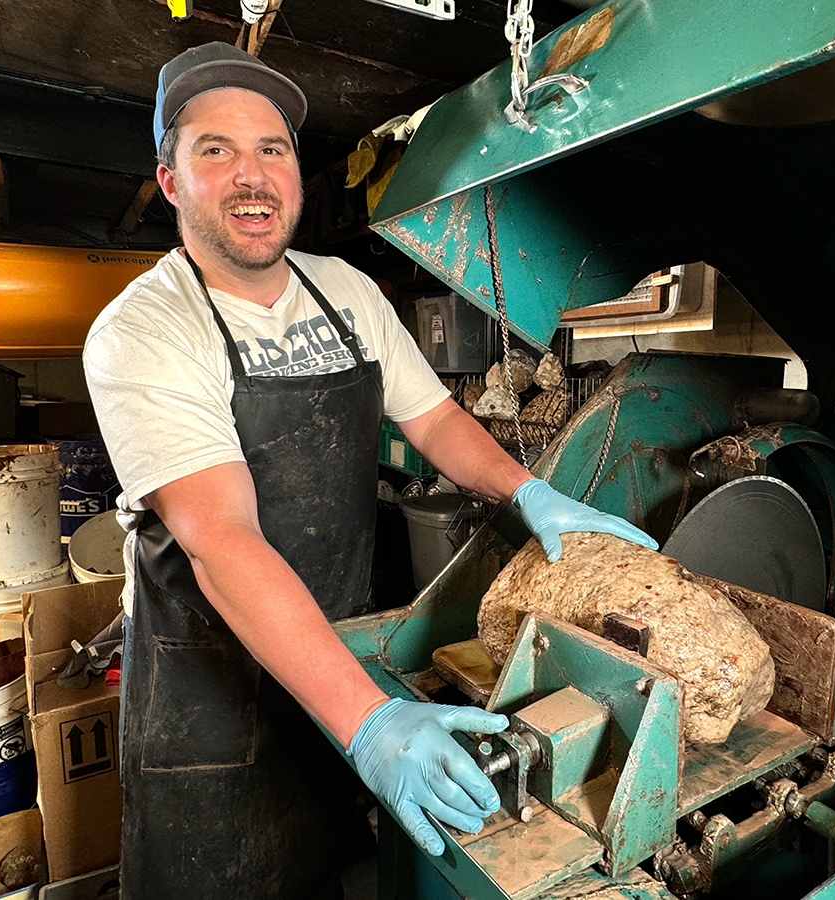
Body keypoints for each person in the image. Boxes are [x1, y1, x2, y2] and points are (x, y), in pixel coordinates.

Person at [83, 41, 657, 900]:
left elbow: (435, 421)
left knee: (324, 871)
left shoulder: (344, 290)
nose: (252, 175)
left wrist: (527, 491)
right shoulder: (145, 330)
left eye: (272, 150)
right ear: (170, 182)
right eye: (216, 151)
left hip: (338, 656)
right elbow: (221, 538)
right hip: (212, 701)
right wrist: (373, 723)